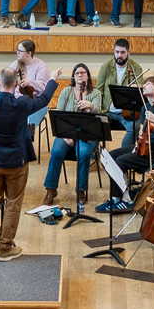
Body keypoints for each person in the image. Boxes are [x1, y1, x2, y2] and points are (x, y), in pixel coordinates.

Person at [0, 65, 56, 260]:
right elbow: (44, 99)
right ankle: (5, 248)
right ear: (17, 84)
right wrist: (52, 79)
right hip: (16, 162)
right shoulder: (22, 105)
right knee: (12, 204)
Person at [43, 63, 100, 209]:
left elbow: (99, 112)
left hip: (87, 134)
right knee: (56, 152)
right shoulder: (66, 91)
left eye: (83, 73)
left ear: (88, 75)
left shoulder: (95, 94)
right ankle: (51, 189)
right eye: (77, 73)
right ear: (73, 77)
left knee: (83, 153)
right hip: (66, 134)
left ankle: (81, 189)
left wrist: (91, 106)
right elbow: (58, 115)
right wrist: (65, 136)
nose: (80, 75)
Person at [93, 37, 145, 110]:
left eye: (122, 52)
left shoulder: (136, 68)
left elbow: (139, 93)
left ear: (128, 53)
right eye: (117, 52)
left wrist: (137, 87)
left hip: (127, 113)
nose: (119, 55)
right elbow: (98, 91)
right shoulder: (106, 67)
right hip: (108, 111)